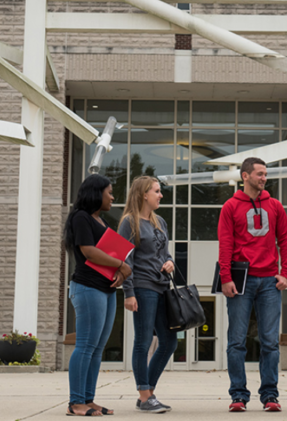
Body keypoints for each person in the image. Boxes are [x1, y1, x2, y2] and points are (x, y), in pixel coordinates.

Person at [218, 157, 287, 413]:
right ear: (245, 176)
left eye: (265, 174)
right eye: (259, 174)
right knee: (237, 341)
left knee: (270, 342)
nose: (264, 178)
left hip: (270, 282)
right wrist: (226, 277)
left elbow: (285, 241)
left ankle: (270, 395)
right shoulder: (230, 206)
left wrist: (286, 273)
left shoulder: (275, 206)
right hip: (242, 281)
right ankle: (238, 395)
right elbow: (225, 244)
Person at [63, 174, 131, 417]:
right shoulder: (81, 217)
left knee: (97, 347)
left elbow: (110, 258)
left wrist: (121, 274)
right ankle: (75, 402)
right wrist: (121, 264)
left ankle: (88, 399)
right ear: (96, 192)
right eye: (109, 192)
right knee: (85, 345)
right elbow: (89, 252)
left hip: (106, 289)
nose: (112, 197)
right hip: (87, 288)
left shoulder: (100, 221)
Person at [118, 176, 177, 413]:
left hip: (163, 287)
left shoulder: (159, 221)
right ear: (144, 194)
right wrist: (128, 293)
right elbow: (124, 260)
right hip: (142, 287)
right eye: (157, 191)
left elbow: (166, 253)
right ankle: (144, 396)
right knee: (142, 341)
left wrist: (170, 261)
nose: (160, 195)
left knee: (169, 341)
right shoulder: (128, 222)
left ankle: (148, 392)